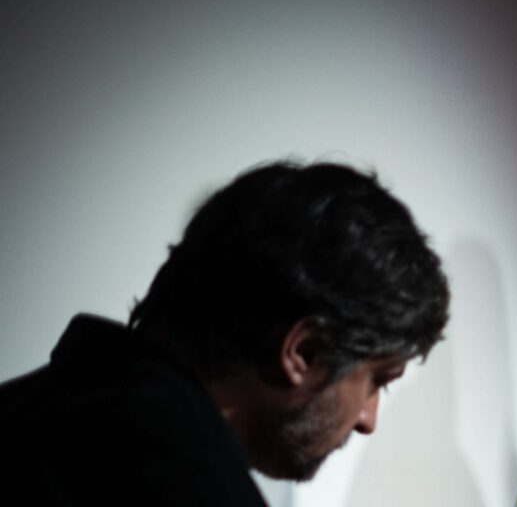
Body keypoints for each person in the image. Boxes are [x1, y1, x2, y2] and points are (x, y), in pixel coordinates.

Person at [0, 161, 451, 505]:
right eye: (377, 381)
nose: (367, 419)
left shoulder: (30, 409)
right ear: (304, 352)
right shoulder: (194, 486)